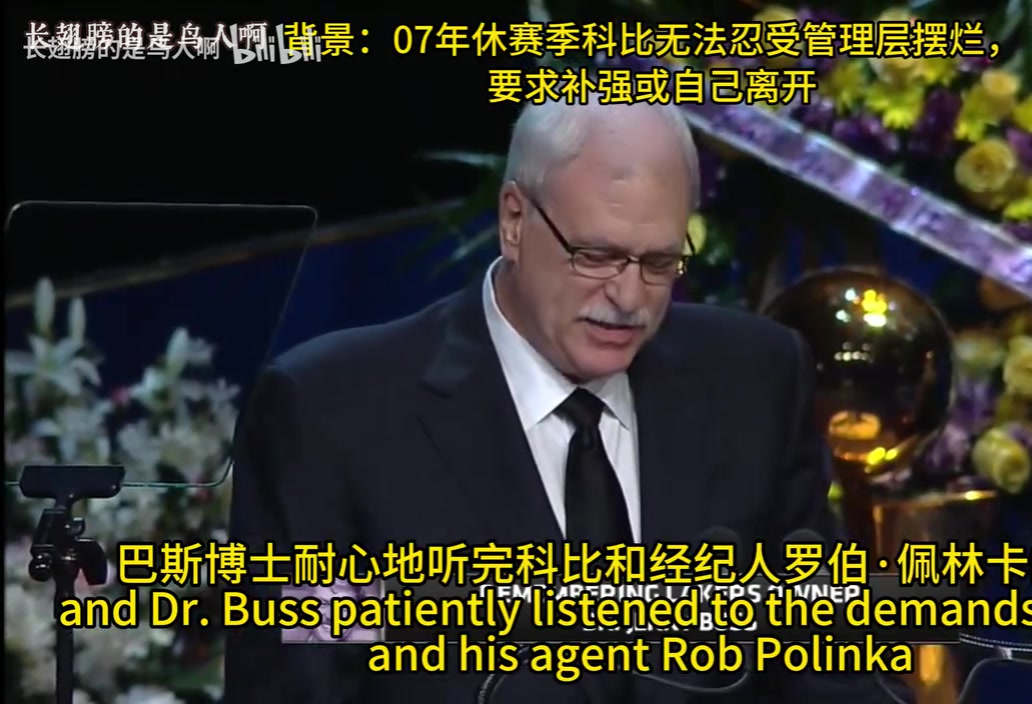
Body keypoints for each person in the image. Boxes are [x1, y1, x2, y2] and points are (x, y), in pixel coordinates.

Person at [226, 98, 913, 703]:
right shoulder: (334, 417)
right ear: (515, 221)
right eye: (596, 256)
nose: (628, 297)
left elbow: (836, 670)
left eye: (659, 262)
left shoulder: (754, 381)